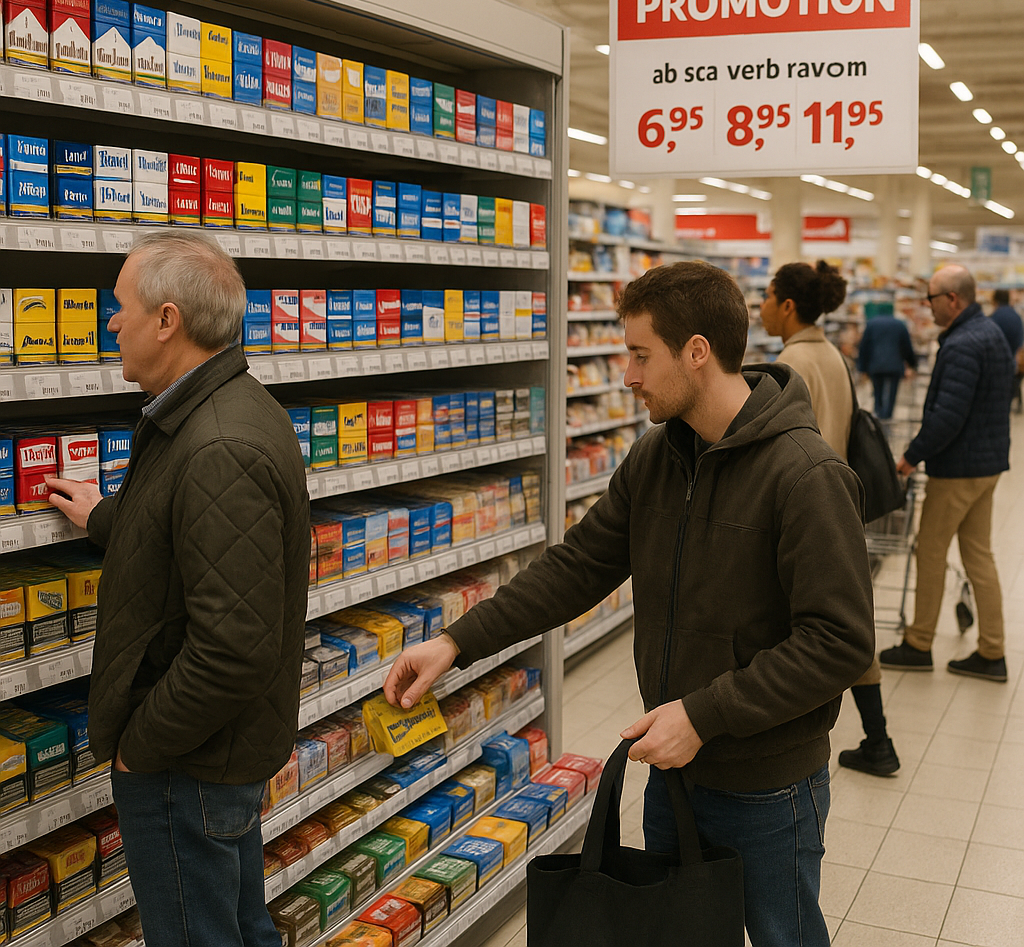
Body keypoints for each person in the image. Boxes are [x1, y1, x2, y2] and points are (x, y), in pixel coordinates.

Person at [384, 261, 875, 947]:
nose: (627, 374)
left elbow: (839, 642)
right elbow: (578, 567)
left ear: (696, 352)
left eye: (641, 354)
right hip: (675, 771)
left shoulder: (805, 475)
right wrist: (457, 640)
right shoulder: (656, 457)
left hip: (767, 788)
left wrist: (703, 715)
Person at [44, 230, 311, 947]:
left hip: (189, 762)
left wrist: (142, 748)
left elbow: (232, 649)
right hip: (216, 755)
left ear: (168, 321)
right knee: (243, 926)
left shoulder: (219, 443)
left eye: (120, 306)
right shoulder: (214, 410)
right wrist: (105, 516)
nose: (110, 321)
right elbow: (190, 540)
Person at [761, 261, 899, 777]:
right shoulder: (831, 353)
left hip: (809, 511)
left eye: (769, 296)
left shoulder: (793, 359)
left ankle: (868, 740)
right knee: (849, 621)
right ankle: (877, 737)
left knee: (818, 628)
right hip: (841, 500)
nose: (763, 306)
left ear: (788, 305)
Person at [881, 264, 1013, 682]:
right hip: (986, 466)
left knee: (931, 551)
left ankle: (919, 643)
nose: (928, 306)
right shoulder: (990, 334)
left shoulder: (961, 344)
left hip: (958, 469)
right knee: (979, 555)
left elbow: (947, 417)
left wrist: (911, 456)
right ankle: (992, 651)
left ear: (952, 300)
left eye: (932, 298)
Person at [856, 301, 917, 420]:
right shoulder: (899, 324)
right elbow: (906, 346)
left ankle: (878, 416)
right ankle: (887, 417)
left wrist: (862, 367)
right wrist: (912, 364)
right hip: (894, 366)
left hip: (875, 365)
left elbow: (864, 347)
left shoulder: (871, 324)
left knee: (877, 392)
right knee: (891, 395)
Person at [989, 288, 1023, 412]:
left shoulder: (994, 317)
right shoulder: (1016, 317)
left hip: (996, 366)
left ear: (995, 300)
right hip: (1012, 363)